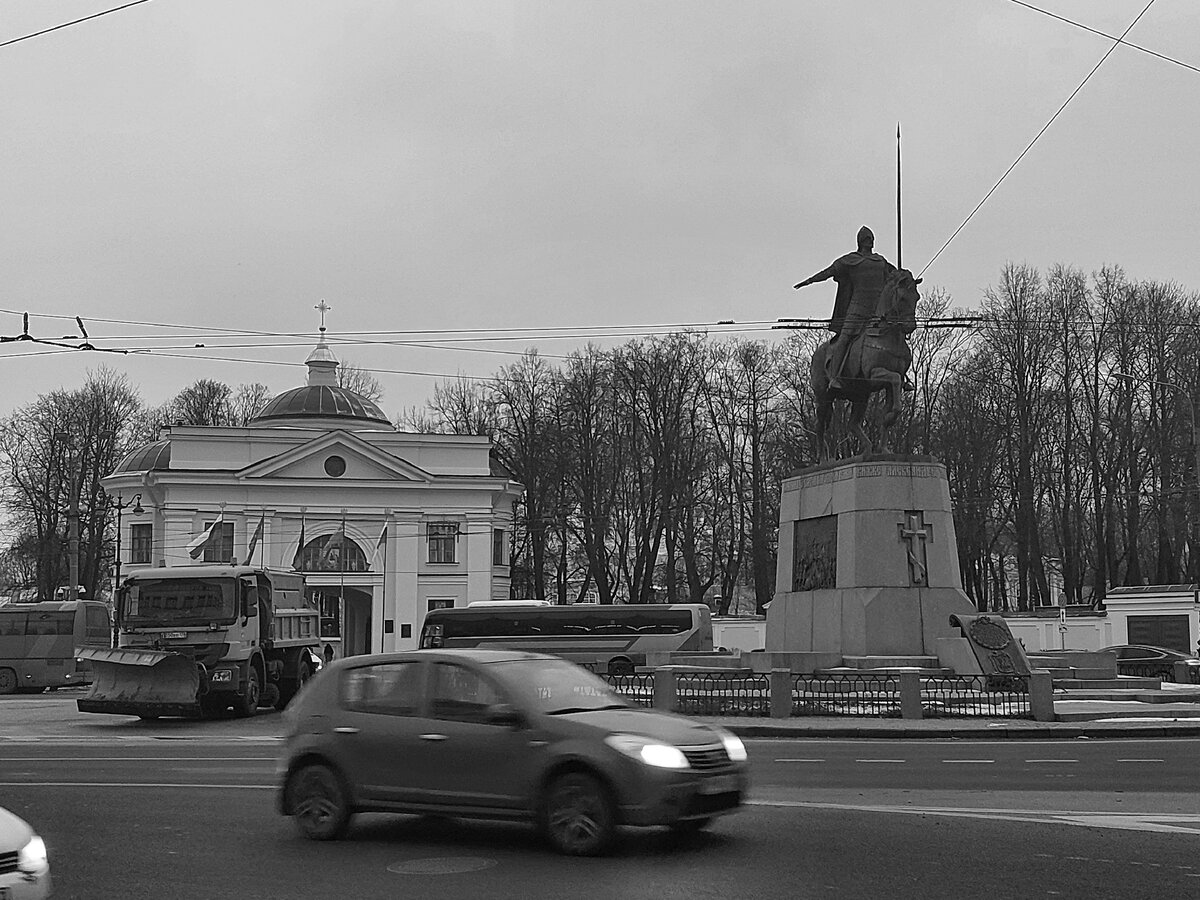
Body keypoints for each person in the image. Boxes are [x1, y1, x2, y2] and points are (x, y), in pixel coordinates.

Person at [794, 225, 896, 390]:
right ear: (860, 241)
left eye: (870, 239)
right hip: (857, 309)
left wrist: (906, 278)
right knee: (844, 339)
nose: (868, 242)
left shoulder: (880, 261)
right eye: (866, 239)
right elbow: (828, 272)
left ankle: (900, 373)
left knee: (892, 335)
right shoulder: (851, 260)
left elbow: (896, 275)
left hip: (877, 311)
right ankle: (834, 377)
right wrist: (810, 280)